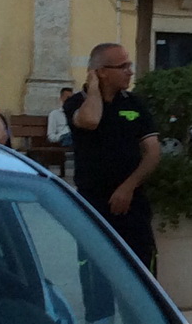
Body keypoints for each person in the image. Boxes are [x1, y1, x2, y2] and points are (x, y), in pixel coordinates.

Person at [64, 42, 161, 274]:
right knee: (94, 270)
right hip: (93, 202)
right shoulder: (76, 103)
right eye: (123, 66)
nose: (130, 71)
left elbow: (153, 152)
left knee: (140, 271)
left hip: (132, 203)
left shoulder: (134, 104)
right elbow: (90, 121)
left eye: (129, 65)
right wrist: (95, 89)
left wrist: (128, 187)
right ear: (101, 71)